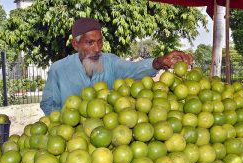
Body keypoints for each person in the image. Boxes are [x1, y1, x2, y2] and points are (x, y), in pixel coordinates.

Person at [40, 18, 193, 115]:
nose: (97, 48)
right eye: (90, 42)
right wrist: (69, 121)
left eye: (100, 41)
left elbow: (134, 69)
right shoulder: (58, 69)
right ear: (75, 44)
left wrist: (159, 62)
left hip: (110, 139)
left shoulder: (110, 61)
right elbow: (48, 104)